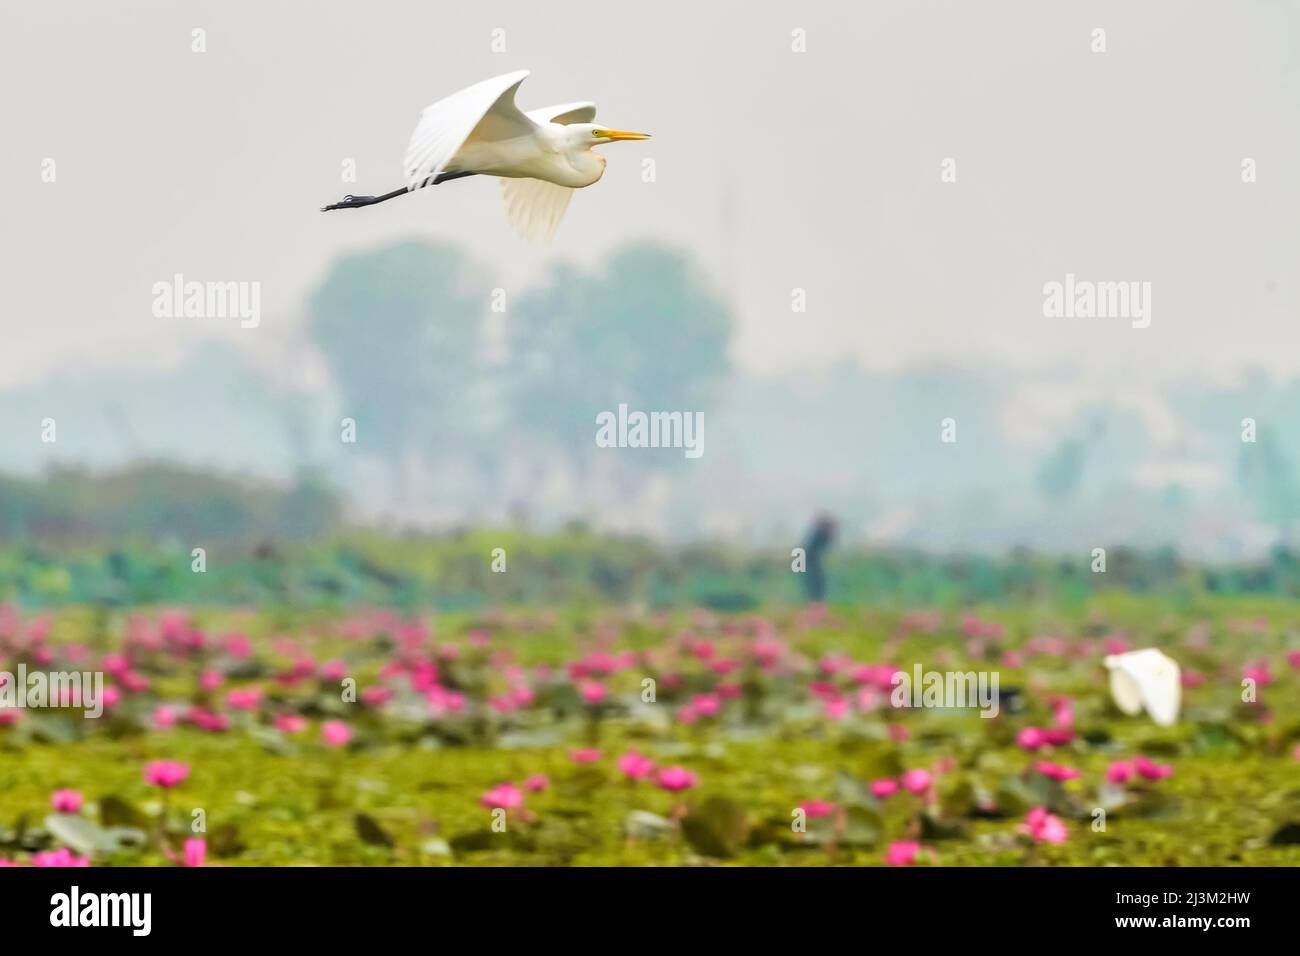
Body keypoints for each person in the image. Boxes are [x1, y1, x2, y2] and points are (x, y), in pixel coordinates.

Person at [802, 513, 837, 603]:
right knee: (815, 583)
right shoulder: (821, 535)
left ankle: (817, 602)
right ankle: (816, 602)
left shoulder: (820, 534)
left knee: (815, 584)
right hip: (810, 563)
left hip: (811, 563)